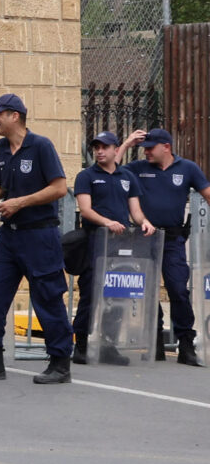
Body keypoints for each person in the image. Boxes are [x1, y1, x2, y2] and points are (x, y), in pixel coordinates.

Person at [0, 94, 74, 384]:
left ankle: (60, 364)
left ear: (14, 116)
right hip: (9, 237)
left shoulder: (41, 146)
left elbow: (60, 188)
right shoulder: (1, 147)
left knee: (47, 299)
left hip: (40, 235)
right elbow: (2, 185)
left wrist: (20, 203)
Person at [122, 126, 210, 366]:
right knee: (148, 292)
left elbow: (207, 192)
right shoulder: (138, 169)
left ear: (167, 147)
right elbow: (110, 168)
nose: (146, 153)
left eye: (150, 149)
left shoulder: (187, 168)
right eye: (144, 149)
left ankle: (186, 344)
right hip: (145, 237)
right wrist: (127, 144)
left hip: (172, 239)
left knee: (178, 290)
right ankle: (155, 343)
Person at [70, 131, 155, 365]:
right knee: (90, 293)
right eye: (96, 147)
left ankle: (109, 344)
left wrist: (144, 222)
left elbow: (135, 211)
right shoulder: (86, 176)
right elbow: (85, 209)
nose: (99, 151)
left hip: (120, 244)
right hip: (94, 240)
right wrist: (107, 222)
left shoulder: (127, 176)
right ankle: (81, 345)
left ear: (115, 150)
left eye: (104, 147)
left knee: (116, 294)